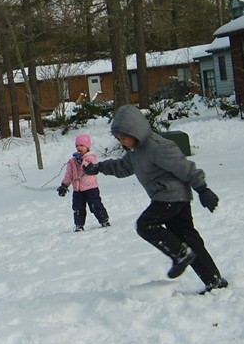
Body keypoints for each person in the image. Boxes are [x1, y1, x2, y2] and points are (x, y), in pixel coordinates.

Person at [83, 104, 228, 294]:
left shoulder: (158, 147)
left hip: (171, 196)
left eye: (124, 137)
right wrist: (99, 167)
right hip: (170, 197)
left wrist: (202, 188)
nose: (122, 142)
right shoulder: (136, 152)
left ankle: (180, 254)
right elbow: (122, 167)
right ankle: (214, 281)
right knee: (188, 238)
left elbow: (183, 166)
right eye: (119, 139)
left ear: (135, 131)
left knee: (146, 225)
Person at [57, 134, 111, 232]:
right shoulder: (72, 161)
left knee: (95, 205)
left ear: (87, 147)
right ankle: (79, 225)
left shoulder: (91, 158)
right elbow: (69, 175)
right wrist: (64, 185)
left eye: (82, 145)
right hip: (77, 190)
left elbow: (90, 168)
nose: (79, 148)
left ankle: (104, 220)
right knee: (78, 208)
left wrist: (82, 161)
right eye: (77, 146)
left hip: (91, 188)